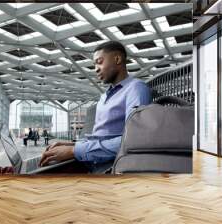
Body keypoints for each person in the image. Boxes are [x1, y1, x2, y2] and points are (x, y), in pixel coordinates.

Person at [39, 41, 152, 172]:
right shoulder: (104, 96)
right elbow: (102, 137)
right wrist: (72, 145)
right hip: (91, 162)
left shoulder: (136, 88)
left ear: (117, 59)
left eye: (99, 61)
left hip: (109, 168)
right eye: (94, 65)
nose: (96, 69)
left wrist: (73, 151)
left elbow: (134, 139)